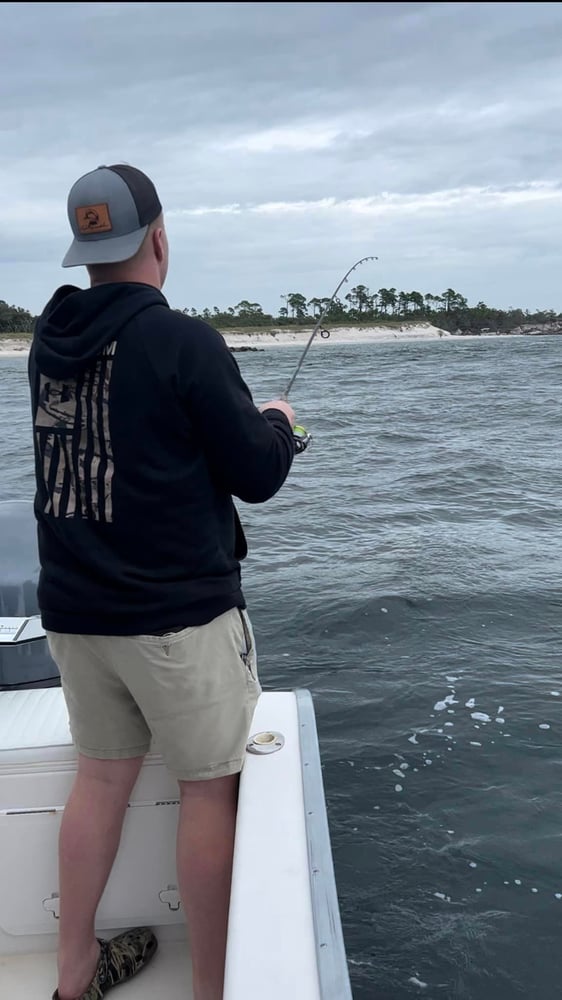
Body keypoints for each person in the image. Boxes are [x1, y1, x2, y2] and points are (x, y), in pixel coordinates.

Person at [28, 164, 296, 1000]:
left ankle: (72, 978)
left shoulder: (48, 341)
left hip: (74, 616)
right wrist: (281, 427)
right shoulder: (185, 342)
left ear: (85, 251)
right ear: (158, 239)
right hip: (177, 620)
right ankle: (211, 989)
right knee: (207, 794)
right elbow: (255, 473)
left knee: (100, 780)